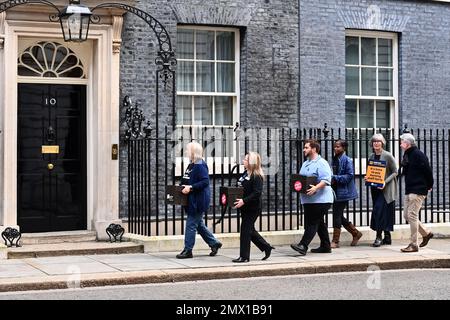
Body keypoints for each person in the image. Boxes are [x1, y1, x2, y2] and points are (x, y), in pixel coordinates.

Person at [176, 142, 222, 259]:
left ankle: (188, 250)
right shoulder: (192, 165)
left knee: (191, 225)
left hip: (198, 201)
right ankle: (214, 243)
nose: (186, 152)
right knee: (199, 225)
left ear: (193, 152)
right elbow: (187, 179)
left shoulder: (200, 164)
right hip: (192, 199)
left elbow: (205, 181)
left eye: (187, 150)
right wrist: (179, 187)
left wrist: (190, 187)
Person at [290, 139, 334, 256]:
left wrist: (316, 188)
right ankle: (326, 246)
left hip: (321, 199)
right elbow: (302, 179)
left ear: (314, 149)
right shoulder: (305, 163)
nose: (304, 149)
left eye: (306, 147)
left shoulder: (322, 163)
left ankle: (303, 245)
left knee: (312, 222)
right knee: (319, 222)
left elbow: (326, 179)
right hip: (308, 200)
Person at [232, 152, 274, 262]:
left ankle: (244, 257)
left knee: (245, 230)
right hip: (245, 207)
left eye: (246, 159)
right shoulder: (246, 173)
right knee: (250, 230)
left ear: (251, 162)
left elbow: (257, 193)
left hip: (252, 208)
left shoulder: (257, 176)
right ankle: (266, 247)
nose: (243, 161)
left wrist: (243, 201)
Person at [399, 133, 434, 253]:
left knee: (412, 215)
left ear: (407, 143)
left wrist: (429, 185)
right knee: (406, 215)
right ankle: (426, 233)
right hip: (409, 189)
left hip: (418, 189)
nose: (400, 143)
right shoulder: (407, 154)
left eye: (402, 141)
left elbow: (428, 171)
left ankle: (414, 244)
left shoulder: (418, 154)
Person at [365, 133, 398, 247]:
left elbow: (395, 172)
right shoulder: (371, 156)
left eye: (378, 141)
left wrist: (385, 182)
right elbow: (370, 171)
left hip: (386, 189)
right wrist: (367, 177)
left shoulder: (388, 155)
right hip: (375, 189)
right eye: (374, 141)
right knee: (379, 211)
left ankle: (379, 237)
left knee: (380, 211)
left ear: (382, 143)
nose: (376, 143)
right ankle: (387, 237)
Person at [330, 139, 362, 248]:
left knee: (336, 215)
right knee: (338, 215)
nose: (336, 148)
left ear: (344, 148)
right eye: (335, 146)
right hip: (335, 191)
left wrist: (335, 178)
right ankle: (355, 233)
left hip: (344, 192)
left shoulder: (347, 160)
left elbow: (349, 176)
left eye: (338, 146)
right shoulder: (335, 160)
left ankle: (335, 241)